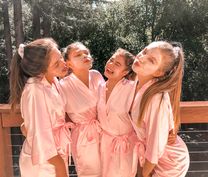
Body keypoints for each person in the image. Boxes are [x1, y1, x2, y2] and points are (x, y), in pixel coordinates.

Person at [9, 38, 71, 177]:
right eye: (56, 64)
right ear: (41, 70)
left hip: (56, 155)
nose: (63, 63)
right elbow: (40, 135)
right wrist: (60, 166)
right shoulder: (35, 90)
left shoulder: (53, 81)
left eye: (60, 56)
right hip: (43, 162)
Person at [130, 41, 190, 177]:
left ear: (159, 72)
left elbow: (155, 147)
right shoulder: (135, 83)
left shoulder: (155, 99)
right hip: (150, 155)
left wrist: (142, 175)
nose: (142, 57)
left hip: (170, 161)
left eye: (151, 60)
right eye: (144, 51)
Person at [60, 42, 104, 177]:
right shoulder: (63, 85)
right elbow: (59, 113)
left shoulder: (96, 75)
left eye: (86, 52)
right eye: (78, 54)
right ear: (68, 63)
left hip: (105, 131)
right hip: (83, 137)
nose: (85, 55)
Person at [97, 48, 137, 177]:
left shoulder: (132, 88)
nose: (110, 64)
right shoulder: (100, 87)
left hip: (126, 147)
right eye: (111, 60)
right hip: (103, 144)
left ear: (125, 72)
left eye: (117, 64)